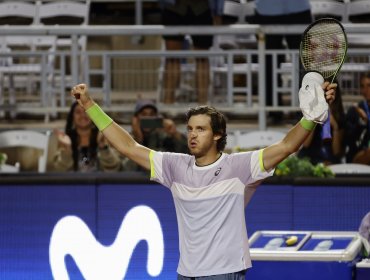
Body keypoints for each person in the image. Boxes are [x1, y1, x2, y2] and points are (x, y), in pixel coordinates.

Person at [70, 71, 336, 279]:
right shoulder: (175, 167)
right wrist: (90, 105)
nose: (193, 135)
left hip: (224, 272)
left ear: (218, 134)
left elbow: (287, 146)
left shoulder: (240, 168)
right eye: (189, 129)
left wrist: (311, 117)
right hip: (186, 273)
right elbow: (129, 147)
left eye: (201, 129)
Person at [252, 0, 312, 122]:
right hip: (267, 10)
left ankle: (303, 110)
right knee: (268, 63)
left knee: (303, 64)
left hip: (298, 9)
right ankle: (273, 111)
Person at [159, 0, 224, 104]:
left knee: (202, 58)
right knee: (172, 58)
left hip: (202, 9)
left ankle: (203, 105)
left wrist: (218, 12)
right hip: (173, 7)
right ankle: (168, 103)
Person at [53, 101, 121, 172]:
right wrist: (67, 150)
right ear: (72, 118)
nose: (83, 115)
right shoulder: (64, 141)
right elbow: (59, 171)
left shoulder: (104, 137)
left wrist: (103, 147)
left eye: (86, 112)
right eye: (78, 112)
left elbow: (115, 169)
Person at [297, 84, 345, 165]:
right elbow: (305, 144)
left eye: (331, 90)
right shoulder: (307, 112)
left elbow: (337, 152)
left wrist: (335, 128)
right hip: (310, 159)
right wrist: (315, 118)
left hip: (331, 160)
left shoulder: (339, 116)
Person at [345, 72, 370, 164]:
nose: (365, 90)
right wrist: (362, 123)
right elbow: (349, 140)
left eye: (369, 86)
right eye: (362, 86)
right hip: (358, 153)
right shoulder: (355, 111)